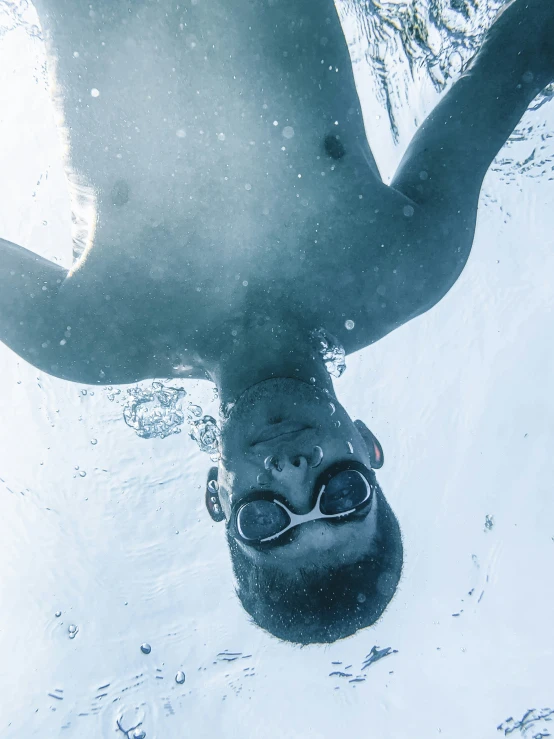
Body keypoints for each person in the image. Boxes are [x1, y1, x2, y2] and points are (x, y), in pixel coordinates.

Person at [0, 0, 552, 644]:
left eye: (267, 519)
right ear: (368, 450)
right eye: (340, 494)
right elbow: (522, 52)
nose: (292, 471)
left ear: (219, 499)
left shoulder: (96, 340)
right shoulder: (405, 266)